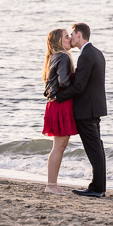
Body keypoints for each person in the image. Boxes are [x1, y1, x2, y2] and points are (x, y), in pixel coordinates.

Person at [54, 22, 107, 197]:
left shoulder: (86, 55)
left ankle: (97, 188)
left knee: (94, 149)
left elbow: (79, 87)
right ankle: (99, 187)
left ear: (79, 35)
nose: (70, 38)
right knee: (97, 147)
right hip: (95, 108)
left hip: (86, 110)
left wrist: (58, 96)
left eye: (72, 34)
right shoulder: (97, 53)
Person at [42, 28, 78, 195]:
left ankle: (52, 184)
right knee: (59, 146)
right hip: (60, 105)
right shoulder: (62, 57)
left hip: (56, 105)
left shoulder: (54, 57)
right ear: (59, 41)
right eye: (66, 37)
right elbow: (63, 82)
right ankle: (51, 185)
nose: (69, 39)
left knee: (60, 145)